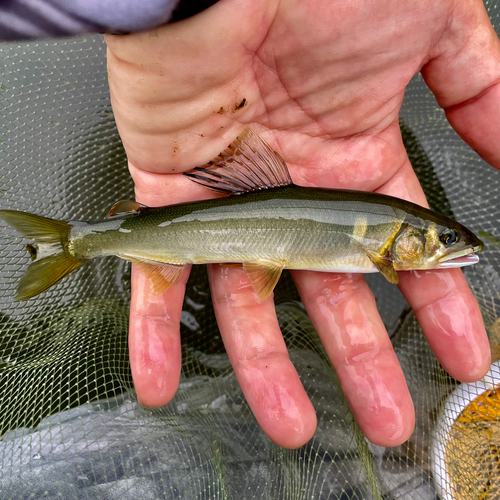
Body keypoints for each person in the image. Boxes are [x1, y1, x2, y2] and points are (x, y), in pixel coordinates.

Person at [3, 0, 500, 449]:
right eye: (442, 240)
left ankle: (76, 241)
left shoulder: (385, 232)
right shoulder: (382, 241)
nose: (447, 247)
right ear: (404, 241)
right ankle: (74, 243)